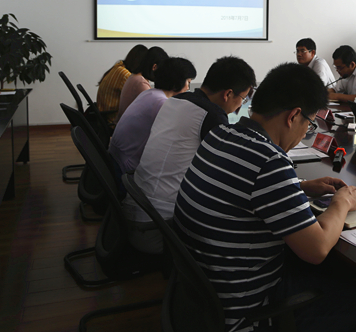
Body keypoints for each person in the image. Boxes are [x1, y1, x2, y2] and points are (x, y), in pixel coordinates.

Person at [174, 62, 356, 332]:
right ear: (294, 116)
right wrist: (343, 202)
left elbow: (243, 189)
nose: (305, 133)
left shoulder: (220, 134)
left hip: (203, 295)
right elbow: (316, 249)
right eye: (309, 124)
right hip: (245, 311)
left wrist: (300, 186)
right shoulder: (269, 161)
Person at [122, 56, 256, 254]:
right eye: (243, 99)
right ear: (228, 94)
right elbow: (230, 173)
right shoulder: (211, 115)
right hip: (157, 229)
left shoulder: (176, 100)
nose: (239, 106)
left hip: (137, 211)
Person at [108, 57, 196, 175]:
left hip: (115, 159)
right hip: (126, 168)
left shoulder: (149, 94)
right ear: (177, 84)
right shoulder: (162, 104)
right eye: (188, 82)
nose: (188, 88)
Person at [96, 44, 147, 124]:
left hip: (105, 115)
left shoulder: (118, 67)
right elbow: (142, 98)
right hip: (113, 119)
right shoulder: (125, 75)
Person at [116, 46, 168, 121]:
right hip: (130, 125)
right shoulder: (141, 83)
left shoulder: (134, 76)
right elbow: (154, 109)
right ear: (154, 67)